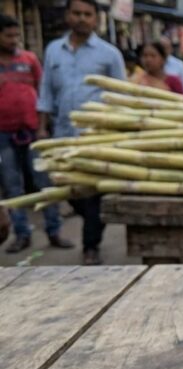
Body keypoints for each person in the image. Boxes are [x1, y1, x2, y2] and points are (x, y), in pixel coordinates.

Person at [37, 0, 125, 265]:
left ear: (96, 18)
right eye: (77, 13)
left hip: (97, 136)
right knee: (70, 191)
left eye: (88, 14)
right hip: (63, 134)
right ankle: (93, 226)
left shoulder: (110, 54)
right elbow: (46, 91)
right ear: (67, 15)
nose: (82, 18)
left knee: (94, 193)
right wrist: (41, 127)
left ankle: (90, 246)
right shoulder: (54, 50)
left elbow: (122, 96)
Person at [0, 14, 73, 254]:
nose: (13, 40)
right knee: (12, 186)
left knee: (45, 183)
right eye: (8, 36)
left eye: (16, 35)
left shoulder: (29, 59)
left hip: (32, 130)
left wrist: (42, 127)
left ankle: (54, 230)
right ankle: (22, 233)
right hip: (3, 134)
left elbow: (44, 94)